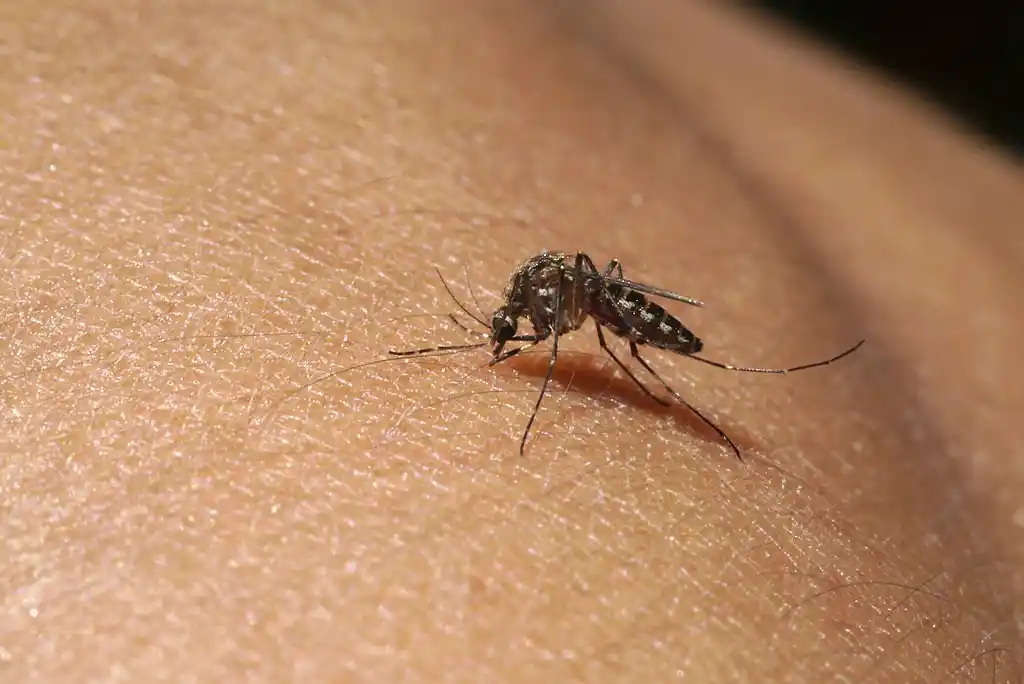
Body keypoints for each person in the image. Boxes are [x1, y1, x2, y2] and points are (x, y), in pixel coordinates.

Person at [3, 2, 1021, 680]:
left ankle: (681, 377)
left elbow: (575, 290)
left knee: (606, 329)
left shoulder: (564, 308)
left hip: (627, 307)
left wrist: (587, 347)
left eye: (511, 336)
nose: (517, 342)